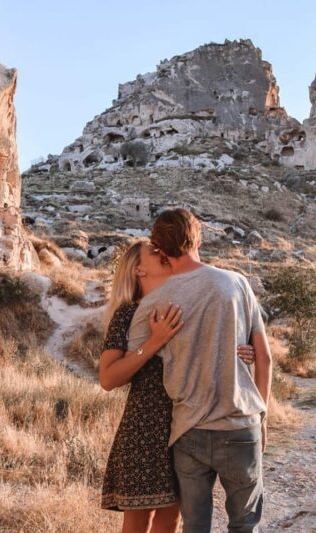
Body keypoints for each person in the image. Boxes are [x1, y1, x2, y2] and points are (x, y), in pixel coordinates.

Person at [126, 209, 273, 533]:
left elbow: (126, 363)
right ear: (199, 237)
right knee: (245, 525)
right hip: (238, 425)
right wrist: (261, 417)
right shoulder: (236, 283)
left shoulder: (154, 303)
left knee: (195, 527)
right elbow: (264, 358)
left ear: (161, 250)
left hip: (188, 430)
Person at [98, 240, 257, 533]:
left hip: (188, 423)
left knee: (172, 519)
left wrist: (245, 351)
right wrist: (153, 342)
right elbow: (108, 379)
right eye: (155, 253)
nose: (165, 255)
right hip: (145, 428)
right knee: (138, 519)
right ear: (139, 269)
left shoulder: (188, 305)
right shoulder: (128, 313)